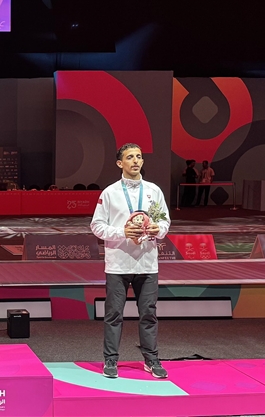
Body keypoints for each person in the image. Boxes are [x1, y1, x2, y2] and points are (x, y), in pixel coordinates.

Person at [91, 143, 171, 379]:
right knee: (114, 315)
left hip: (147, 263)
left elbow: (165, 222)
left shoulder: (154, 191)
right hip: (118, 264)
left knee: (149, 314)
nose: (135, 160)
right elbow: (97, 226)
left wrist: (158, 229)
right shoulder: (109, 193)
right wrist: (122, 233)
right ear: (120, 163)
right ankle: (110, 360)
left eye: (138, 156)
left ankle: (151, 359)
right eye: (130, 157)